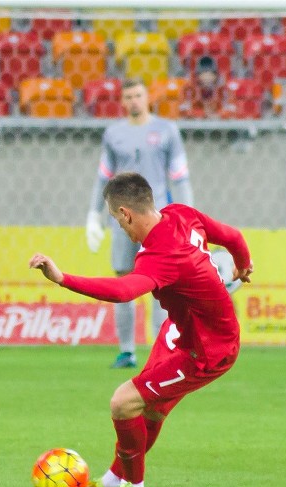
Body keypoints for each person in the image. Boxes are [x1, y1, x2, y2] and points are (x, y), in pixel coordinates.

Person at [32, 171, 253, 487]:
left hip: (208, 351)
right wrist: (243, 266)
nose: (118, 227)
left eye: (115, 219)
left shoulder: (159, 255)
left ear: (126, 213)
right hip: (182, 331)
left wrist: (62, 278)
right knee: (147, 407)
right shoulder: (183, 214)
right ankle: (112, 482)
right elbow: (233, 236)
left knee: (124, 402)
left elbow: (123, 292)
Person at [85, 77, 194, 369]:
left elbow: (180, 177)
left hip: (157, 217)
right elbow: (103, 177)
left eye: (138, 95)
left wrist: (188, 215)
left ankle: (163, 349)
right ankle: (126, 351)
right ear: (122, 101)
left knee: (163, 284)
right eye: (128, 96)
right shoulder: (113, 134)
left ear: (147, 98)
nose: (134, 100)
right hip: (123, 217)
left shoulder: (166, 131)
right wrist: (94, 215)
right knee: (123, 278)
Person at [181, 55, 228, 119]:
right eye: (204, 73)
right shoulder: (190, 90)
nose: (207, 77)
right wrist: (202, 113)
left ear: (216, 75)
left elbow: (230, 110)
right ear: (197, 76)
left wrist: (218, 114)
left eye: (210, 73)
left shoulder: (222, 91)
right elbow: (184, 109)